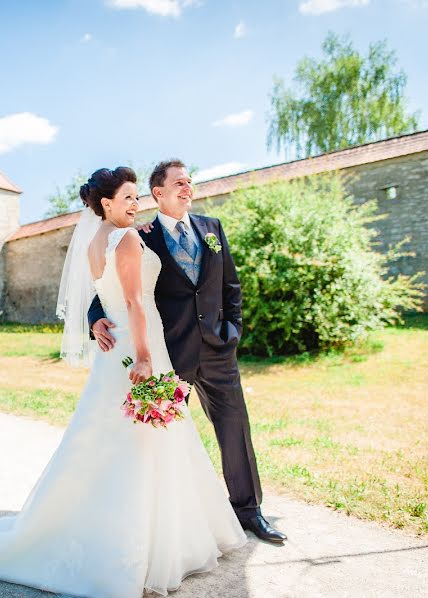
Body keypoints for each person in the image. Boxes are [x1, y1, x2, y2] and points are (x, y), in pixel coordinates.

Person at [0, 166, 246, 597]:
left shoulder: (95, 239)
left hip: (116, 351)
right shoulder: (125, 239)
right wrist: (143, 357)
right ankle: (148, 544)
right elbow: (132, 302)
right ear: (106, 204)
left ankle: (139, 530)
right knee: (145, 439)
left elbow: (98, 298)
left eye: (134, 197)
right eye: (126, 198)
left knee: (115, 438)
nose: (134, 203)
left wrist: (102, 324)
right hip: (140, 348)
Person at [88, 159, 287, 544]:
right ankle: (179, 522)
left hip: (218, 349)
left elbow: (231, 285)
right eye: (179, 182)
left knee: (235, 430)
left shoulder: (213, 228)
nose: (188, 187)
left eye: (190, 182)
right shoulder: (141, 234)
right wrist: (95, 317)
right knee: (167, 438)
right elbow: (114, 285)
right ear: (158, 193)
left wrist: (232, 331)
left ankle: (249, 512)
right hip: (171, 354)